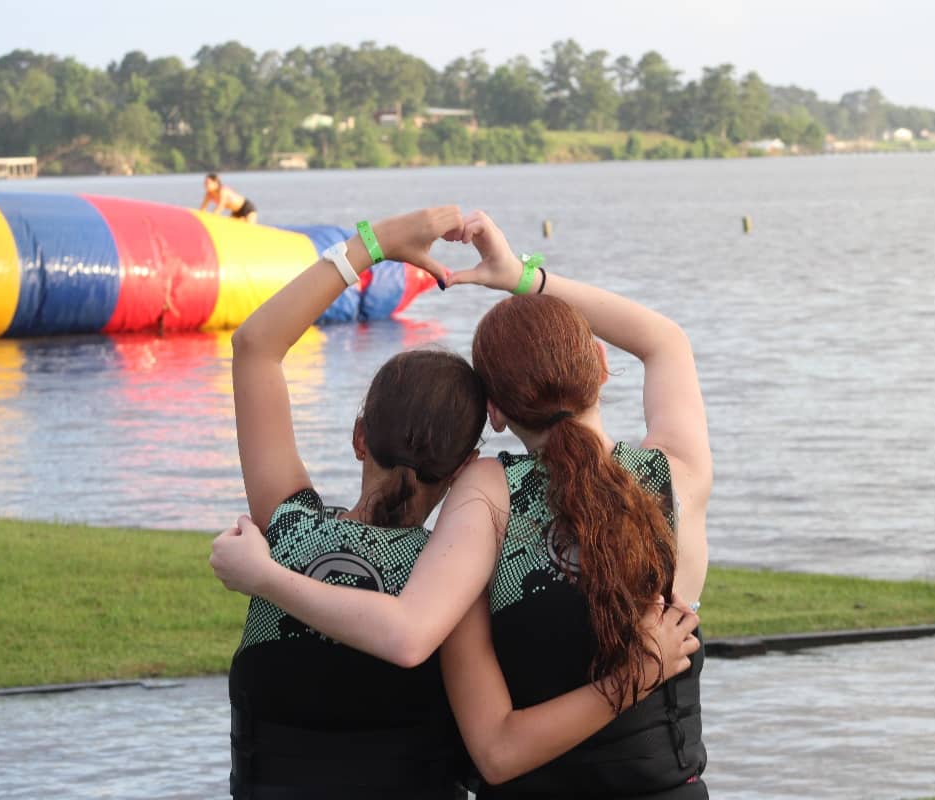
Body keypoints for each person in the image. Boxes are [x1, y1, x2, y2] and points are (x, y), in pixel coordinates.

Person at [216, 206, 702, 799]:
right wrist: (522, 278)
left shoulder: (293, 536)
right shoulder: (665, 482)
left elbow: (256, 347)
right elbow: (665, 342)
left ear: (360, 435)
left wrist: (377, 242)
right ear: (600, 366)